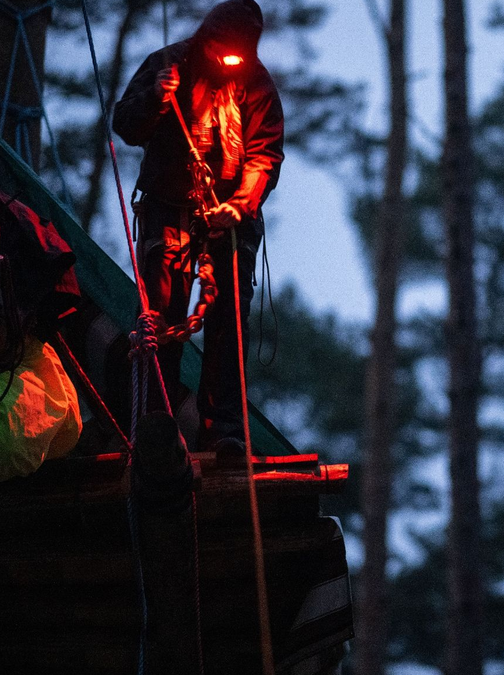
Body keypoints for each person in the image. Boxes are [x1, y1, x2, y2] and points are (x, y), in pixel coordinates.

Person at [113, 0, 283, 454]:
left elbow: (264, 154)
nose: (227, 61)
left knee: (229, 325)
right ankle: (152, 428)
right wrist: (155, 98)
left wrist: (242, 203)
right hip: (169, 214)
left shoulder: (257, 84)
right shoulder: (168, 64)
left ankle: (224, 432)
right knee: (159, 320)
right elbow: (126, 123)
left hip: (228, 223)